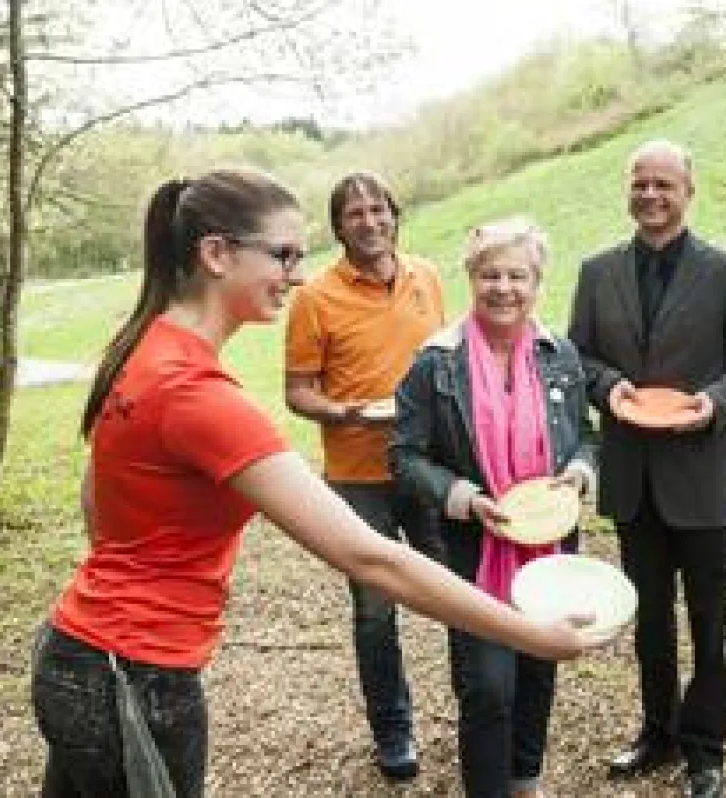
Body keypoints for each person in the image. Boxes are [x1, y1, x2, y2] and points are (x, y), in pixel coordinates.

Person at [30, 170, 597, 798]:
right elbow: (370, 558)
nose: (298, 275)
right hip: (132, 679)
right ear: (216, 255)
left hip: (84, 653)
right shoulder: (196, 393)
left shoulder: (144, 349)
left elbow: (96, 497)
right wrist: (531, 633)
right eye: (283, 255)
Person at [567, 140, 726, 798]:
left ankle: (705, 746)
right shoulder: (597, 273)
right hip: (633, 480)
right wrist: (611, 388)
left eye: (664, 184)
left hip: (700, 479)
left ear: (689, 190)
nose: (651, 195)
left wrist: (712, 403)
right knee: (648, 617)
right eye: (640, 183)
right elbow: (580, 361)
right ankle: (657, 732)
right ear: (628, 189)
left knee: (710, 618)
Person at [392, 217, 595, 798]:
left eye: (518, 276)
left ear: (537, 283)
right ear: (472, 280)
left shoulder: (560, 355)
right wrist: (465, 499)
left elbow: (584, 435)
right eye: (491, 275)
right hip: (473, 550)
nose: (504, 288)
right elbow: (403, 456)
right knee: (486, 685)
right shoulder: (436, 363)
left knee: (538, 666)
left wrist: (578, 475)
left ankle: (525, 781)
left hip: (550, 546)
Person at [283, 171, 444, 779]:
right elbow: (298, 392)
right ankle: (394, 733)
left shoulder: (426, 276)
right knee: (375, 610)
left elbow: (443, 366)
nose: (370, 222)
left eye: (378, 209)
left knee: (460, 584)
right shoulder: (314, 297)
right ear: (339, 226)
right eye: (355, 214)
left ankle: (480, 707)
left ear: (394, 214)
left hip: (428, 466)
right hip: (357, 476)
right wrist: (338, 411)